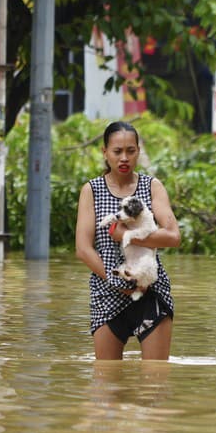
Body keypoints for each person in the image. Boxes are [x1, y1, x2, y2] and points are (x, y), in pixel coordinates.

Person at [75, 121, 181, 360]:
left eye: (130, 151)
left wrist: (125, 235)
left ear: (138, 151)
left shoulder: (151, 186)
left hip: (149, 290)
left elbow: (173, 237)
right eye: (117, 151)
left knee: (154, 383)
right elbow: (83, 249)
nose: (124, 158)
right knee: (106, 383)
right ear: (105, 152)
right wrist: (117, 281)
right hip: (106, 291)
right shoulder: (91, 190)